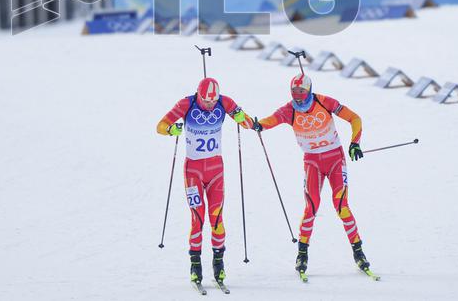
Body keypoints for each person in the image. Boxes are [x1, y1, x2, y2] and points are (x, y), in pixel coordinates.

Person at [253, 73, 374, 280]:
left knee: (341, 205)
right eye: (294, 92)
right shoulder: (288, 110)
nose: (298, 96)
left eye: (302, 91)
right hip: (312, 162)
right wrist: (259, 125)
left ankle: (358, 252)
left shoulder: (324, 102)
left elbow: (355, 118)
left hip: (335, 159)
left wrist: (355, 142)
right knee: (311, 207)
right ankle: (302, 254)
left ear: (309, 90)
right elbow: (270, 120)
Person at [156, 77, 253, 288]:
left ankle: (219, 264)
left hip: (216, 170)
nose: (209, 105)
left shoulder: (224, 102)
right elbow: (160, 126)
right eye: (205, 101)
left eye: (212, 101)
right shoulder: (186, 104)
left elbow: (248, 124)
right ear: (198, 95)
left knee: (216, 218)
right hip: (193, 171)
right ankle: (195, 265)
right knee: (197, 219)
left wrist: (240, 116)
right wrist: (170, 130)